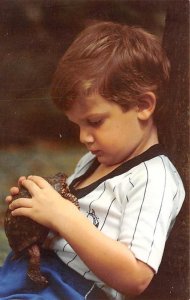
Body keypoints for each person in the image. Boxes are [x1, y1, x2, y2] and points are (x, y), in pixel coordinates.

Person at [0, 21, 185, 300]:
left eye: (95, 122)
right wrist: (35, 215)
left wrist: (62, 215)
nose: (84, 137)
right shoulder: (91, 160)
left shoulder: (152, 179)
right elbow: (66, 234)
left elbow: (136, 277)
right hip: (37, 274)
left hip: (74, 290)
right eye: (77, 125)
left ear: (143, 106)